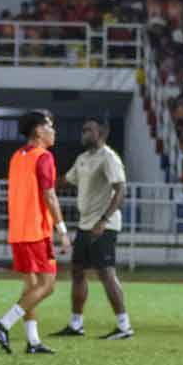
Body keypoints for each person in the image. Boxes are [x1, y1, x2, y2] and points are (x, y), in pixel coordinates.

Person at [0, 109, 71, 355]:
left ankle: (33, 341)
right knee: (48, 285)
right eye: (50, 126)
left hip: (18, 232)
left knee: (31, 288)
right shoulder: (43, 157)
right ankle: (3, 323)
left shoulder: (17, 156)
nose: (53, 131)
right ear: (38, 131)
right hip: (37, 232)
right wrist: (62, 230)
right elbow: (50, 195)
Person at [51, 118, 133, 339]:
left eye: (89, 130)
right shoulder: (83, 159)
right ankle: (76, 324)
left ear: (101, 133)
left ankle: (124, 326)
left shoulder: (109, 157)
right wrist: (43, 181)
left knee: (106, 273)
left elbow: (121, 190)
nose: (84, 133)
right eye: (83, 129)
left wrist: (104, 220)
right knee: (77, 271)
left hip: (103, 225)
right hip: (85, 224)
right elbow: (66, 181)